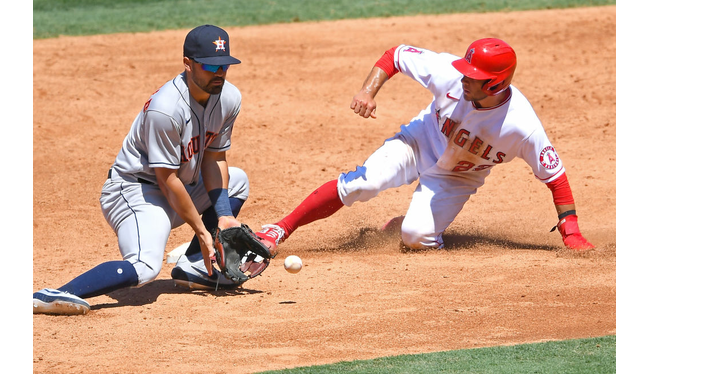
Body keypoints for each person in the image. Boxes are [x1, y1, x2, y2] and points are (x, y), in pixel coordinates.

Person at [253, 38, 594, 257]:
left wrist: (571, 231)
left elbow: (555, 176)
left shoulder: (522, 126)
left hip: (456, 179)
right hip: (417, 143)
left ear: (496, 83)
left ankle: (404, 222)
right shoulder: (450, 74)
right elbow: (395, 55)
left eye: (473, 75)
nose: (463, 78)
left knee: (416, 238)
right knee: (364, 183)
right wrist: (367, 91)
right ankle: (280, 228)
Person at [34, 25, 254, 315]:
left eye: (224, 65)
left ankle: (193, 267)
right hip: (135, 191)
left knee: (236, 181)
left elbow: (214, 158)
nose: (219, 73)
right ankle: (55, 294)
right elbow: (166, 180)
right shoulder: (165, 109)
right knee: (146, 266)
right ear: (187, 64)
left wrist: (223, 215)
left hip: (178, 187)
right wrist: (202, 231)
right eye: (209, 65)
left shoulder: (228, 98)